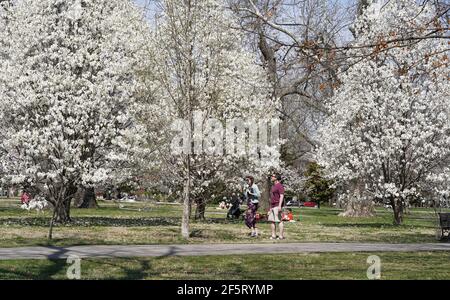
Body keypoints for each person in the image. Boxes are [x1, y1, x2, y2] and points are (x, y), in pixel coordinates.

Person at [268, 173, 285, 240]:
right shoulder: (273, 186)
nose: (271, 177)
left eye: (273, 176)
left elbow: (282, 196)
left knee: (279, 221)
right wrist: (270, 208)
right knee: (272, 220)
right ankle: (273, 235)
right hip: (272, 205)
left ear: (276, 178)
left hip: (278, 205)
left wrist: (280, 206)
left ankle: (280, 236)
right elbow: (272, 197)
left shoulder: (280, 186)